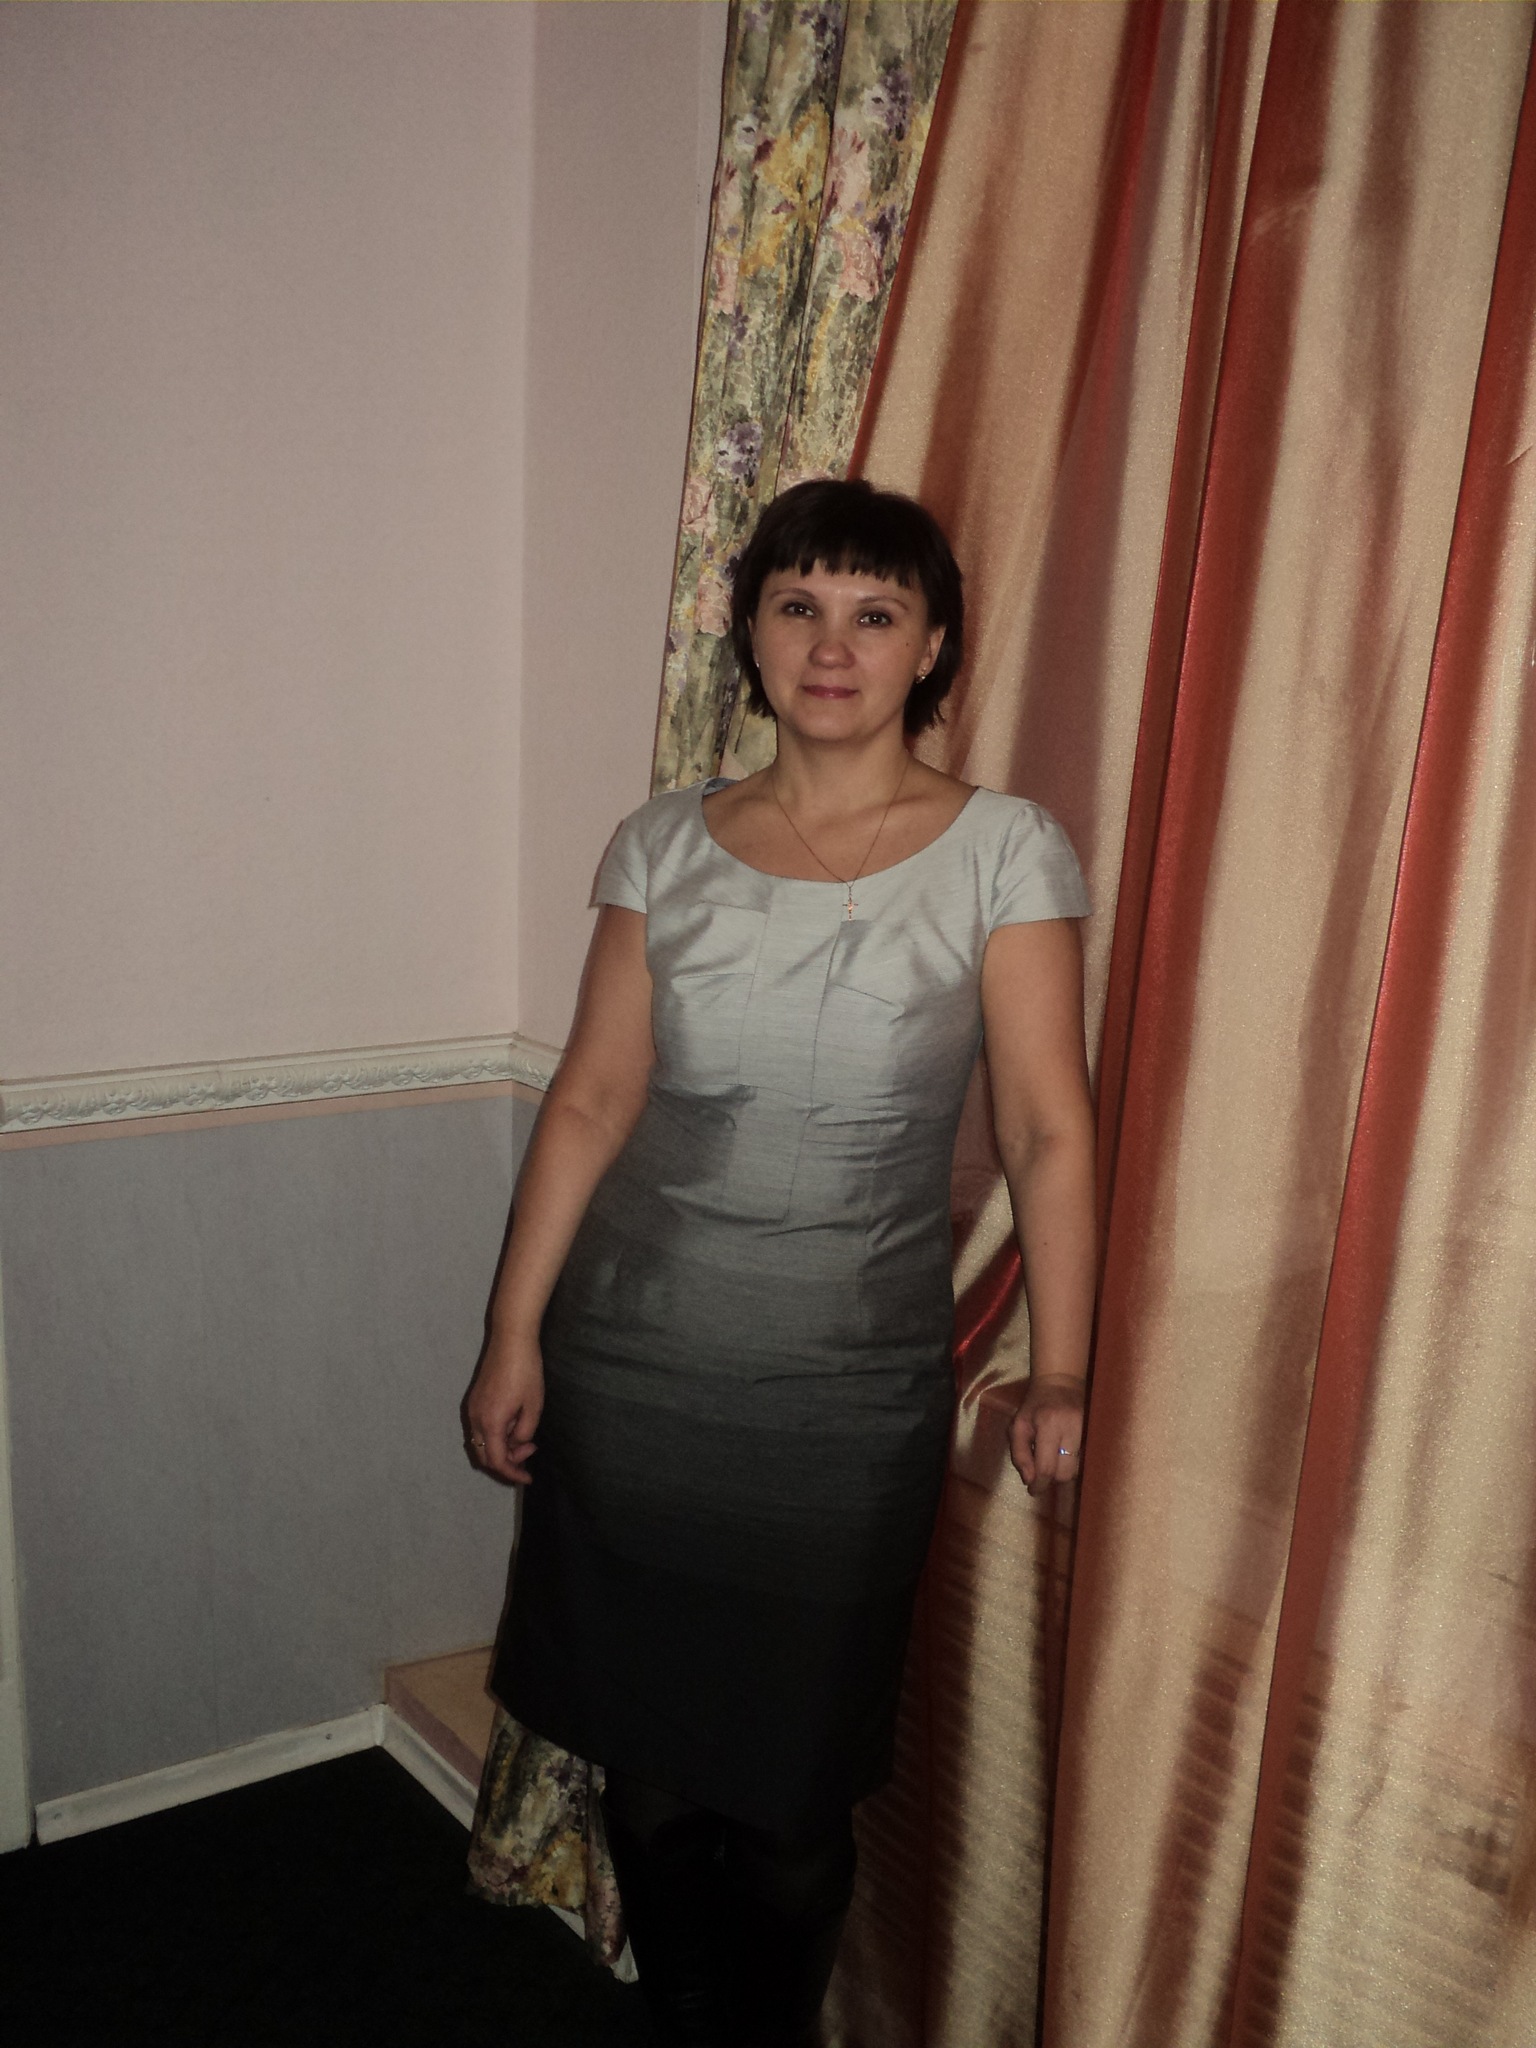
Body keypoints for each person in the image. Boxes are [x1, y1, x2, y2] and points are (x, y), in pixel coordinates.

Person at [464, 478, 1096, 2047]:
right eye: (798, 606)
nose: (832, 644)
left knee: (794, 1803)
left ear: (931, 646)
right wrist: (512, 1331)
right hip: (634, 1371)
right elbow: (593, 1098)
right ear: (748, 633)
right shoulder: (663, 842)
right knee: (652, 1779)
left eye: (876, 613)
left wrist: (1063, 1367)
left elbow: (1047, 1129)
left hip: (843, 1405)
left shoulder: (1005, 850)